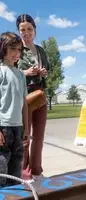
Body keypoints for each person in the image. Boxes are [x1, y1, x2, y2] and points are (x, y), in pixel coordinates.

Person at [16, 14, 49, 182]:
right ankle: (25, 173)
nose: (26, 33)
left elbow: (48, 69)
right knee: (25, 137)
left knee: (39, 136)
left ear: (35, 30)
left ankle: (37, 170)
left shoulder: (41, 50)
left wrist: (44, 73)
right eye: (23, 29)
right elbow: (7, 72)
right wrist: (26, 73)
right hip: (24, 94)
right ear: (18, 31)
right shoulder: (15, 49)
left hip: (40, 94)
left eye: (29, 29)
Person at [0, 32, 28, 186]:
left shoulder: (21, 75)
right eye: (13, 49)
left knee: (16, 166)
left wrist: (26, 128)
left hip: (18, 127)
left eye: (19, 50)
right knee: (1, 166)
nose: (17, 53)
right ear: (3, 49)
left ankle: (14, 193)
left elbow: (25, 103)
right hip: (3, 128)